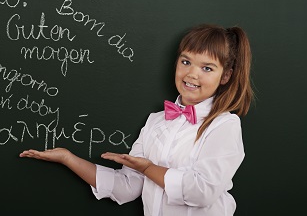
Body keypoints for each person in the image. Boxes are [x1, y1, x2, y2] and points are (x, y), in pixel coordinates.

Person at [20, 24, 253, 216]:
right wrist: (68, 159)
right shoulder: (156, 121)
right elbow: (127, 187)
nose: (192, 73)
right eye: (186, 62)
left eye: (207, 68)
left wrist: (149, 168)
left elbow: (202, 192)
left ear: (226, 76)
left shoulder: (225, 126)